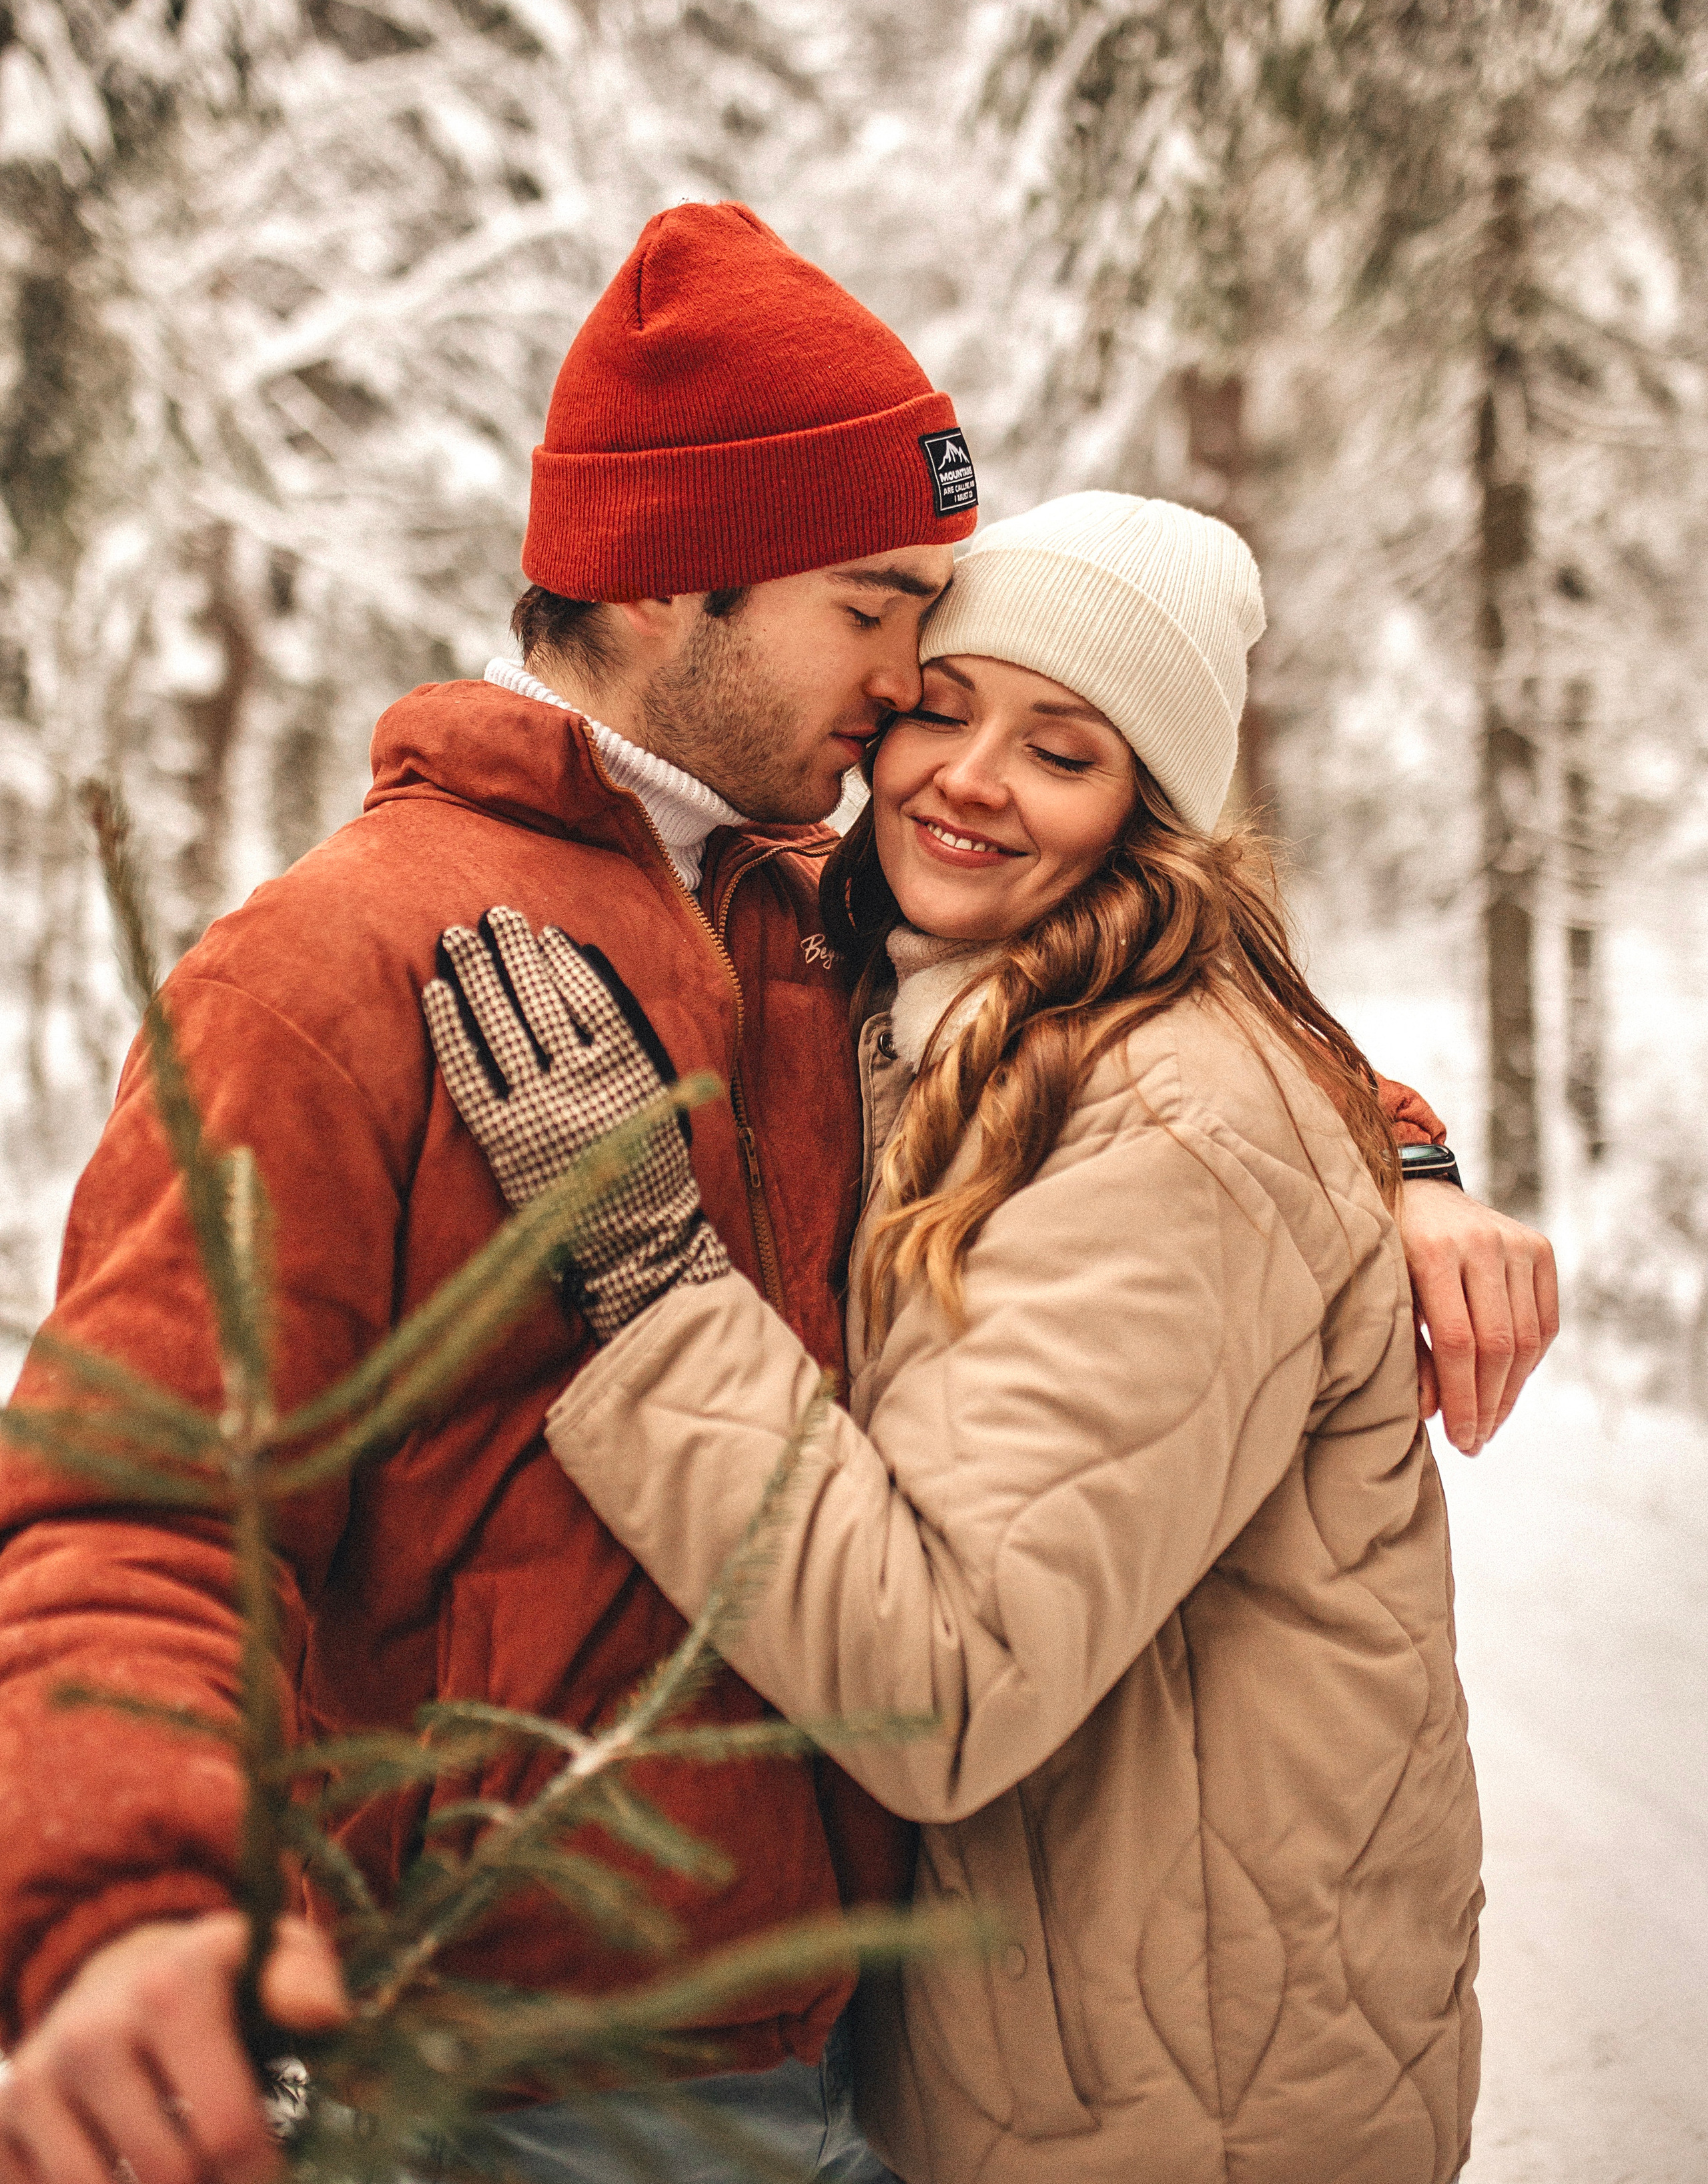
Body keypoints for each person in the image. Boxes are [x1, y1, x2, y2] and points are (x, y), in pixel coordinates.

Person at [0, 200, 1543, 2184]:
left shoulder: (810, 916)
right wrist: (136, 1898)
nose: (916, 682)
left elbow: (1153, 1016)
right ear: (673, 585)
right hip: (518, 2075)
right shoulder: (326, 976)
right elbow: (134, 1506)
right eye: (881, 603)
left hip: (861, 2054)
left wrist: (1398, 1153)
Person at [442, 494, 1487, 2183]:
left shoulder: (1160, 1123)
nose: (968, 778)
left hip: (1184, 2103)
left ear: (1147, 819)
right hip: (1068, 2036)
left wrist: (644, 1274)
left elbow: (938, 1685)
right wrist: (1412, 1151)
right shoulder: (955, 1006)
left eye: (1060, 751)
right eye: (941, 706)